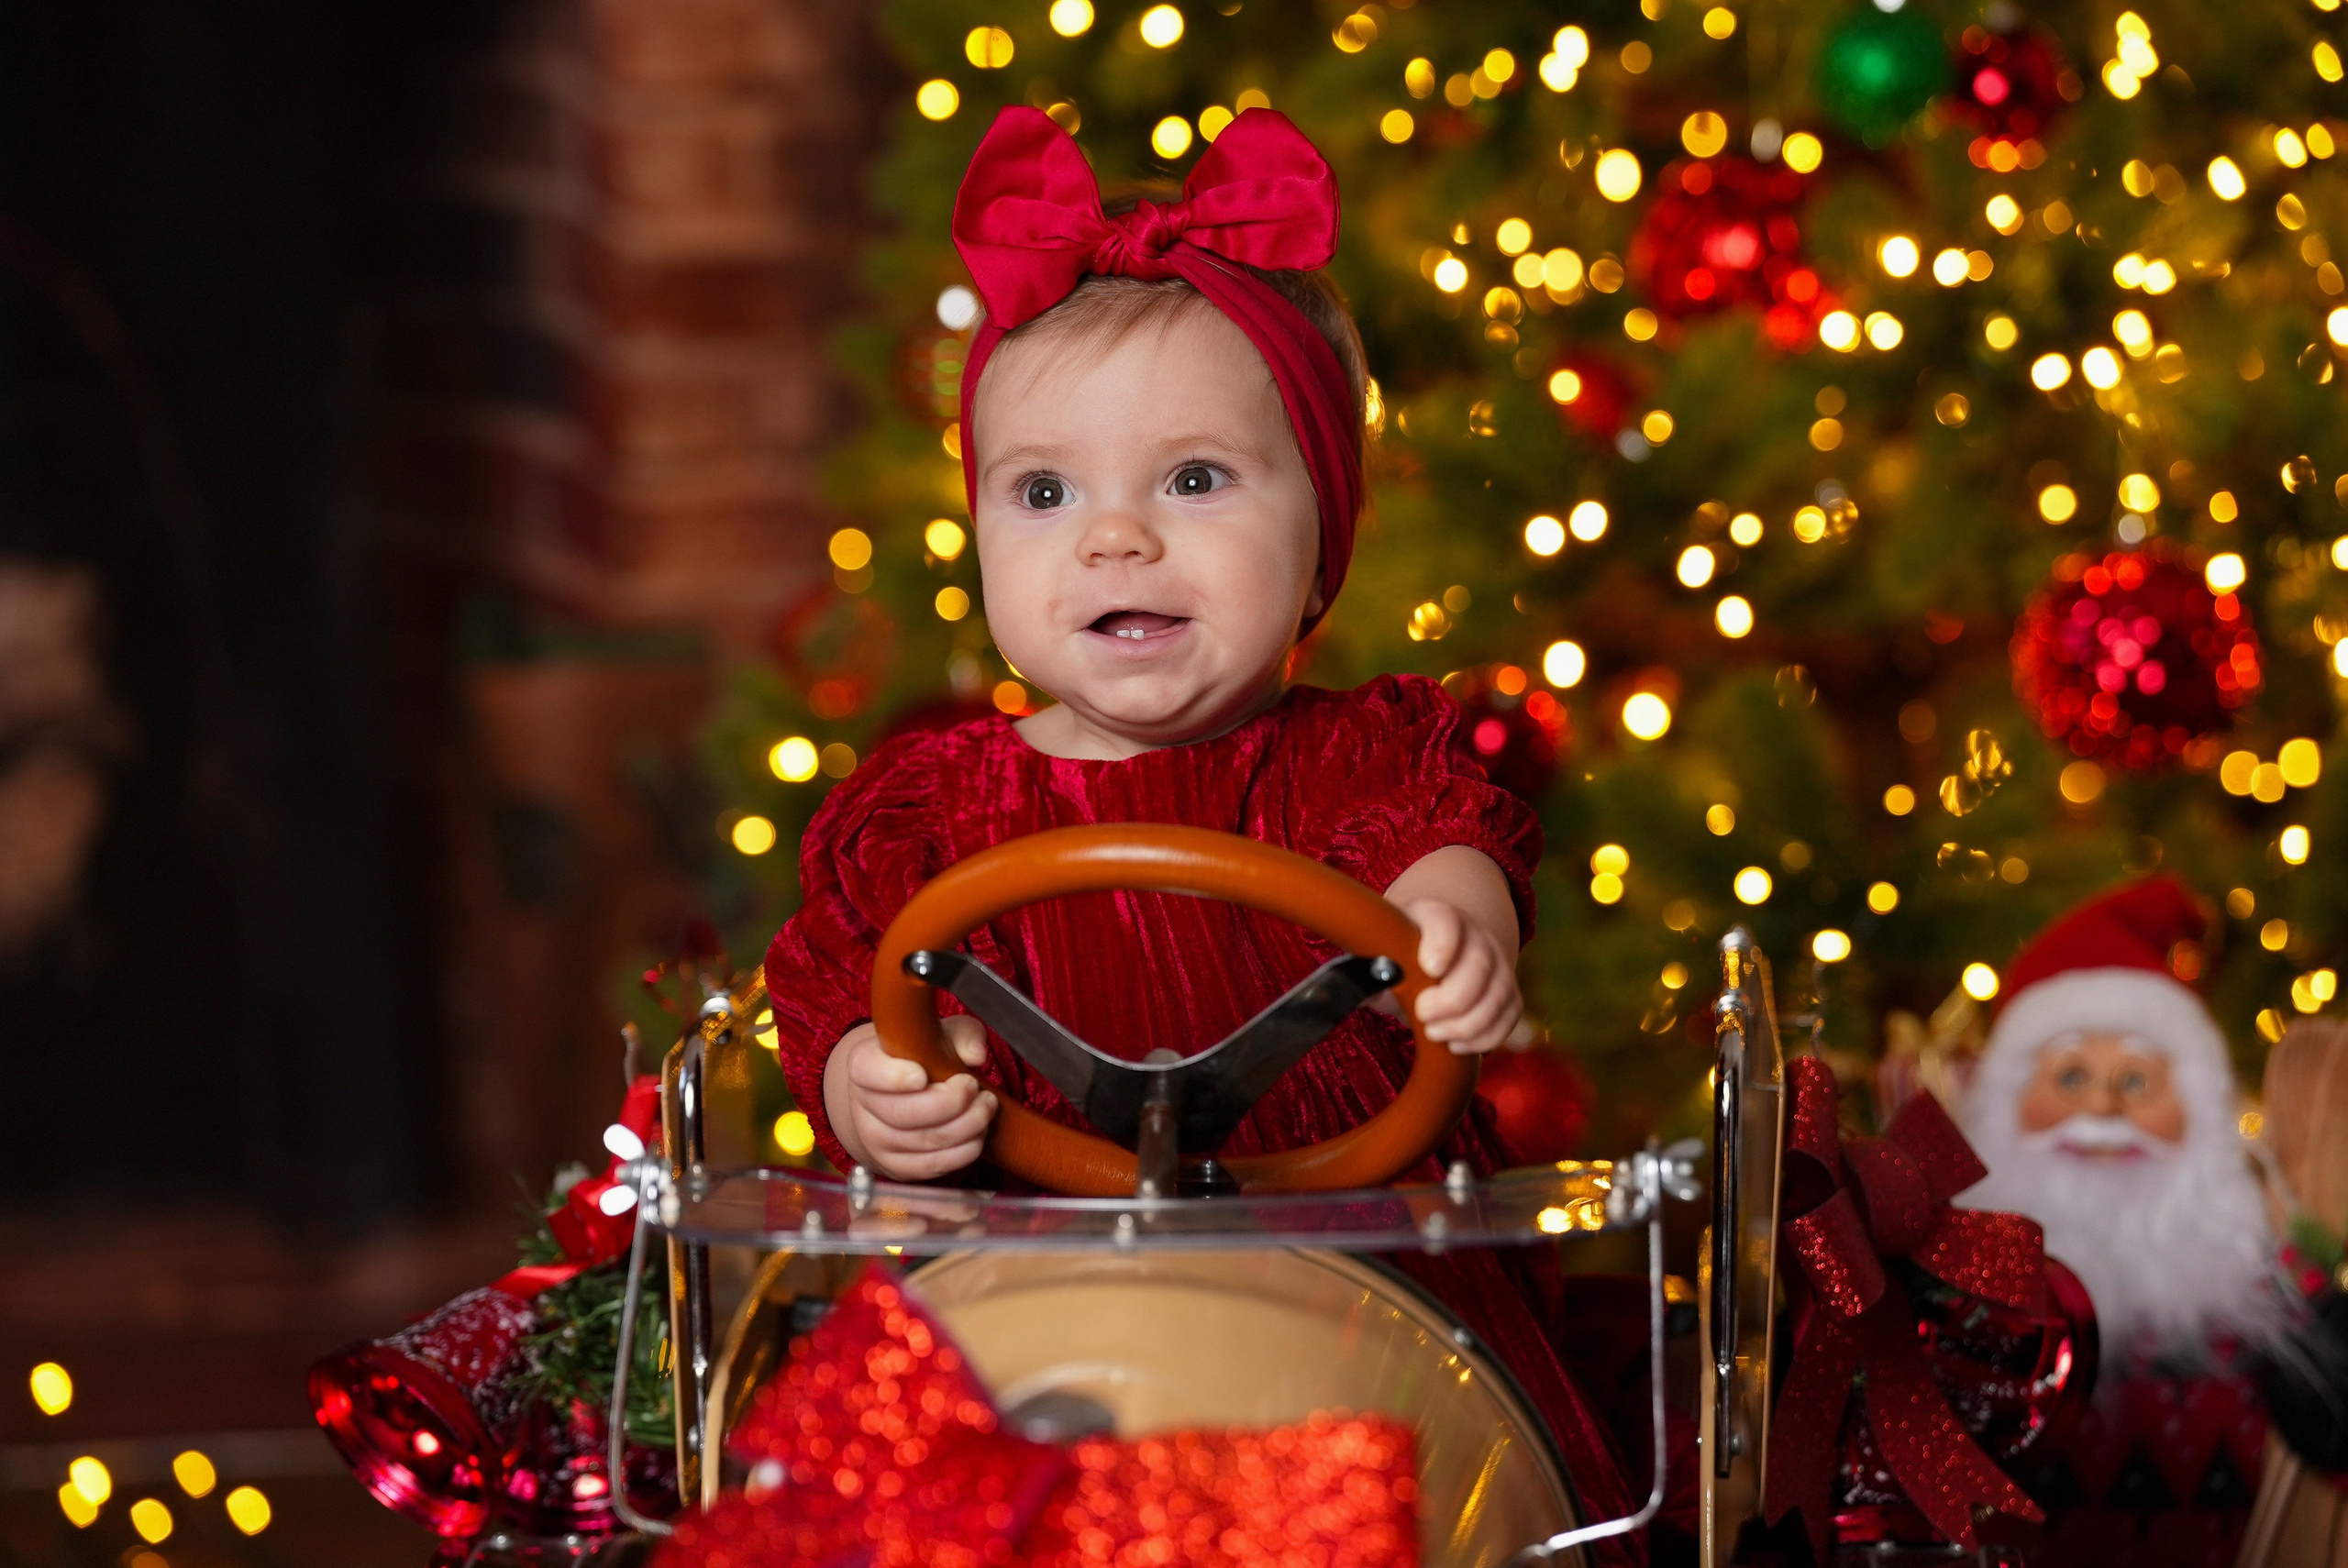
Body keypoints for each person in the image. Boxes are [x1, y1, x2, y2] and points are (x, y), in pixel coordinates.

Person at [762, 106, 1652, 1561]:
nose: (1115, 536)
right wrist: (872, 1085)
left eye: (1194, 479)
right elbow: (836, 985)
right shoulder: (931, 812)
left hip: (1360, 1286)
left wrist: (1460, 925)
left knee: (1440, 1504)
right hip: (1030, 1293)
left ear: (1321, 539)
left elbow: (1441, 835)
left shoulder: (1352, 758)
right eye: (1045, 491)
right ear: (980, 529)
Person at [1957, 877, 2287, 1568]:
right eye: (2071, 1077)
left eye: (2137, 1081)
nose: (2103, 1109)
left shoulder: (2268, 1307)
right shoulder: (1951, 1312)